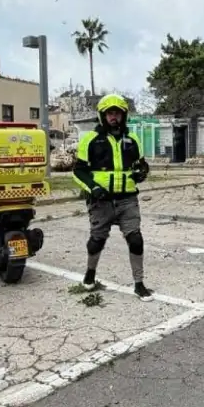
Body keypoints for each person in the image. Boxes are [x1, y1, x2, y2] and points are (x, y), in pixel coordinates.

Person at [72, 94, 152, 301]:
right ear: (102, 116)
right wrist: (93, 188)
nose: (113, 117)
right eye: (109, 113)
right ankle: (90, 275)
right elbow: (78, 171)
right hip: (101, 201)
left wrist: (141, 173)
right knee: (96, 240)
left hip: (128, 200)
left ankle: (139, 284)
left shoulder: (132, 139)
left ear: (123, 115)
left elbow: (141, 165)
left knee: (136, 239)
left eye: (117, 113)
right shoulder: (90, 140)